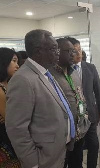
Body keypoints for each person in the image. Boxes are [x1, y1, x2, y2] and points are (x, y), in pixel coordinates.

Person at [5, 29, 75, 168]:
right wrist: (32, 162)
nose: (58, 52)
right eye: (54, 48)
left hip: (58, 151)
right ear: (38, 51)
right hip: (43, 158)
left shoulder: (46, 72)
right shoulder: (23, 79)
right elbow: (17, 128)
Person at [66, 37, 100, 168]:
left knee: (94, 145)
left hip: (90, 115)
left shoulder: (90, 67)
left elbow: (97, 90)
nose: (79, 54)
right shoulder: (65, 70)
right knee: (77, 149)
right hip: (74, 118)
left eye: (80, 50)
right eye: (75, 51)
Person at [49, 38, 90, 168]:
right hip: (62, 135)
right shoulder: (49, 75)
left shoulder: (74, 73)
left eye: (75, 51)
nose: (75, 54)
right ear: (58, 52)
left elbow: (80, 96)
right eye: (70, 51)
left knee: (77, 163)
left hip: (79, 132)